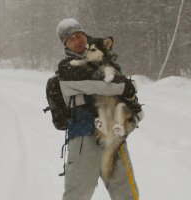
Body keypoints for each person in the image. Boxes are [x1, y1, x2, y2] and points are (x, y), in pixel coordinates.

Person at [56, 18, 144, 200]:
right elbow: (100, 83)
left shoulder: (106, 61)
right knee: (77, 194)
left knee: (127, 194)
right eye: (71, 39)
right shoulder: (66, 68)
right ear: (65, 44)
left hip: (114, 136)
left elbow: (119, 84)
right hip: (83, 139)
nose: (78, 40)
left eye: (79, 35)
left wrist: (125, 87)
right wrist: (125, 85)